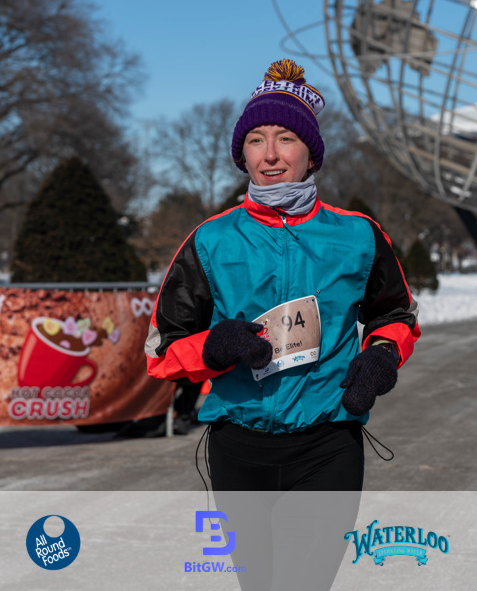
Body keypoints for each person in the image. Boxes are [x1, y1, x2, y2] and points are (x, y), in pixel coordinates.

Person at [145, 59, 420, 590]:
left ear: (310, 153)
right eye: (256, 140)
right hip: (237, 449)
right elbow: (162, 350)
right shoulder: (211, 240)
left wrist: (382, 355)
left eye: (286, 138)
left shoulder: (359, 236)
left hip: (328, 447)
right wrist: (214, 346)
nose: (270, 154)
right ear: (242, 155)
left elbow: (394, 314)